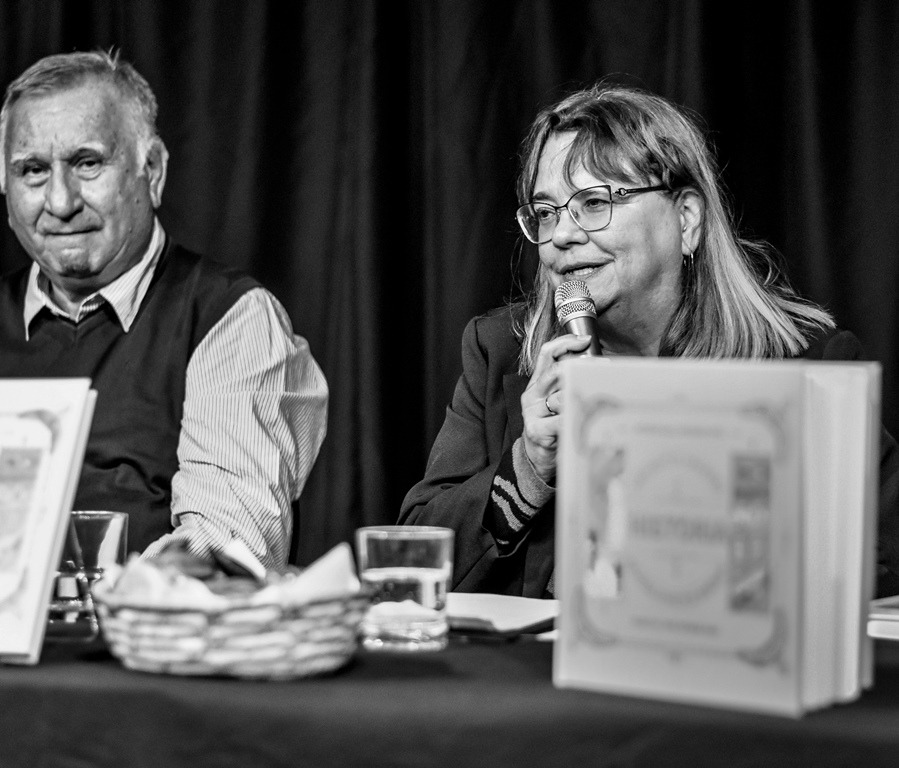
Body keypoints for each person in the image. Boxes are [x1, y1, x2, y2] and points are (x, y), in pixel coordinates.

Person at [399, 82, 899, 598]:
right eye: (546, 213)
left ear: (686, 219)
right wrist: (526, 467)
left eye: (594, 202)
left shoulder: (811, 366)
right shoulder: (498, 349)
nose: (561, 236)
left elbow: (883, 564)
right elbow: (412, 557)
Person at [0, 51, 328, 571]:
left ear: (151, 170)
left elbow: (226, 546)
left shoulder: (229, 318)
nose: (60, 202)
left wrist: (106, 591)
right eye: (33, 171)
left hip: (139, 624)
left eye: (87, 163)